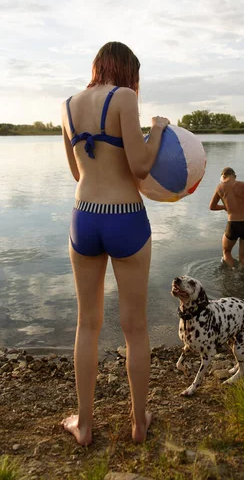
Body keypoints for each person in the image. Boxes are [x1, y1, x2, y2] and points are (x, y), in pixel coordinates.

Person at [61, 41, 170, 446]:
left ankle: (84, 425)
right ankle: (139, 422)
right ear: (128, 72)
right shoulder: (123, 97)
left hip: (84, 217)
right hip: (124, 217)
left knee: (87, 323)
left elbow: (76, 172)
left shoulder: (68, 104)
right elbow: (140, 166)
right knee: (135, 327)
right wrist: (156, 131)